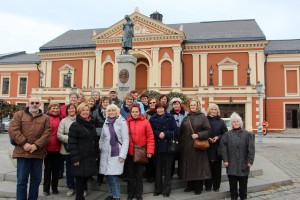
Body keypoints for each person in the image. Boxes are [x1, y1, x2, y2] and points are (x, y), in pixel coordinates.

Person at [8, 97, 51, 200]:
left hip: (38, 153)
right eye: (32, 103)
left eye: (37, 103)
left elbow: (47, 133)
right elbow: (13, 129)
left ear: (40, 104)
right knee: (21, 181)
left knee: (36, 181)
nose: (34, 104)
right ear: (28, 104)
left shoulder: (45, 118)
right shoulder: (19, 115)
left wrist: (36, 145)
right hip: (22, 153)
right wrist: (24, 144)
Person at [178, 98, 212, 195]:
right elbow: (181, 131)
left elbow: (209, 131)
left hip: (198, 147)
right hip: (187, 147)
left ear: (198, 106)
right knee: (189, 166)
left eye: (194, 105)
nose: (192, 106)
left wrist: (199, 135)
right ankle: (190, 186)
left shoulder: (203, 117)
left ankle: (198, 188)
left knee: (198, 168)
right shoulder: (186, 117)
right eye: (191, 105)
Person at [219, 112, 255, 200]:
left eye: (237, 122)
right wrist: (225, 160)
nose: (235, 123)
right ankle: (233, 198)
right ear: (231, 124)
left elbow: (251, 149)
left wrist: (250, 161)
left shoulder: (247, 134)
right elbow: (223, 148)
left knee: (243, 187)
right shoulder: (227, 135)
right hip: (231, 165)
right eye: (234, 122)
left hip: (244, 164)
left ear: (240, 123)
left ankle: (243, 198)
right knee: (233, 187)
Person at [68, 103, 99, 200]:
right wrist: (75, 158)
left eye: (87, 110)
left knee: (85, 178)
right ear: (79, 112)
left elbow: (95, 140)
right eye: (83, 110)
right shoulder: (75, 125)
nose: (85, 112)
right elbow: (72, 144)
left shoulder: (90, 124)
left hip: (89, 157)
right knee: (80, 181)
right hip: (80, 158)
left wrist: (96, 153)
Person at [99, 104, 129, 200]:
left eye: (113, 110)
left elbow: (125, 139)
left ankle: (116, 196)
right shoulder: (106, 122)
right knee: (107, 175)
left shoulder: (122, 122)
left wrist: (123, 155)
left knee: (113, 176)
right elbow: (102, 137)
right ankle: (111, 194)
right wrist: (101, 147)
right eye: (109, 111)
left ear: (117, 111)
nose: (111, 112)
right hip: (105, 153)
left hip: (117, 153)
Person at [126, 104, 155, 200]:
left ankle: (139, 194)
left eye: (136, 112)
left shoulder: (145, 122)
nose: (134, 113)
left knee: (139, 174)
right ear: (130, 112)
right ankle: (130, 193)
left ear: (139, 112)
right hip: (129, 153)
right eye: (133, 112)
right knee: (130, 175)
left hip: (141, 152)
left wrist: (150, 151)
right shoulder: (126, 122)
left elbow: (150, 138)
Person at [149, 102, 178, 197]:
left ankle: (166, 190)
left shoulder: (170, 117)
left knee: (167, 170)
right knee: (158, 170)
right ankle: (157, 189)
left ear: (164, 108)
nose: (160, 110)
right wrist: (158, 134)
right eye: (158, 108)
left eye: (161, 108)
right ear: (155, 109)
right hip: (157, 147)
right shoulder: (152, 118)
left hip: (168, 147)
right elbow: (149, 131)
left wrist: (165, 134)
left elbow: (176, 131)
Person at [204, 103, 228, 192]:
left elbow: (225, 133)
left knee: (217, 169)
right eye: (212, 109)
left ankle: (216, 186)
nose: (214, 111)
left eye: (215, 109)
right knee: (208, 168)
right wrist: (208, 138)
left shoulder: (221, 121)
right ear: (209, 110)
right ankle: (208, 186)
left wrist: (218, 137)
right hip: (207, 146)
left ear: (218, 111)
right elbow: (202, 131)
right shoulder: (205, 120)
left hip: (218, 147)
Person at [57, 103, 77, 197]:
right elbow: (59, 135)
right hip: (67, 149)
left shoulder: (80, 119)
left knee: (79, 169)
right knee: (69, 170)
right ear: (67, 111)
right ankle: (71, 188)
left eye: (73, 108)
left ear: (75, 110)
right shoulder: (63, 121)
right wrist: (71, 139)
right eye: (69, 109)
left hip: (79, 149)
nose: (71, 110)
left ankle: (82, 188)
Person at [92, 96, 112, 185]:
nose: (105, 103)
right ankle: (100, 177)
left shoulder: (112, 111)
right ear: (101, 103)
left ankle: (108, 176)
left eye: (107, 102)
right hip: (99, 137)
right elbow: (93, 124)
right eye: (104, 102)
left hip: (110, 138)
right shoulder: (96, 112)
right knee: (100, 158)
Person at [43, 102, 61, 196]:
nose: (55, 110)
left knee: (56, 170)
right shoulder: (45, 118)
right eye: (53, 108)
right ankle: (46, 189)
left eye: (57, 108)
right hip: (47, 148)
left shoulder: (60, 118)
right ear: (49, 109)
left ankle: (54, 188)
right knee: (47, 170)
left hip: (58, 148)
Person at [169, 98, 188, 178]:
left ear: (180, 104)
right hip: (173, 137)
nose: (176, 105)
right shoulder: (169, 114)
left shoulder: (186, 114)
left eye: (177, 104)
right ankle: (170, 174)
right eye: (174, 104)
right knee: (172, 157)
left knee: (182, 157)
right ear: (172, 105)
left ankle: (181, 174)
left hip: (183, 138)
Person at [144, 97, 158, 182]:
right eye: (150, 103)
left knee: (156, 159)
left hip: (158, 138)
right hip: (149, 138)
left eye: (154, 102)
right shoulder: (146, 114)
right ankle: (150, 175)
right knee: (149, 159)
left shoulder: (160, 111)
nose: (152, 104)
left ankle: (156, 175)